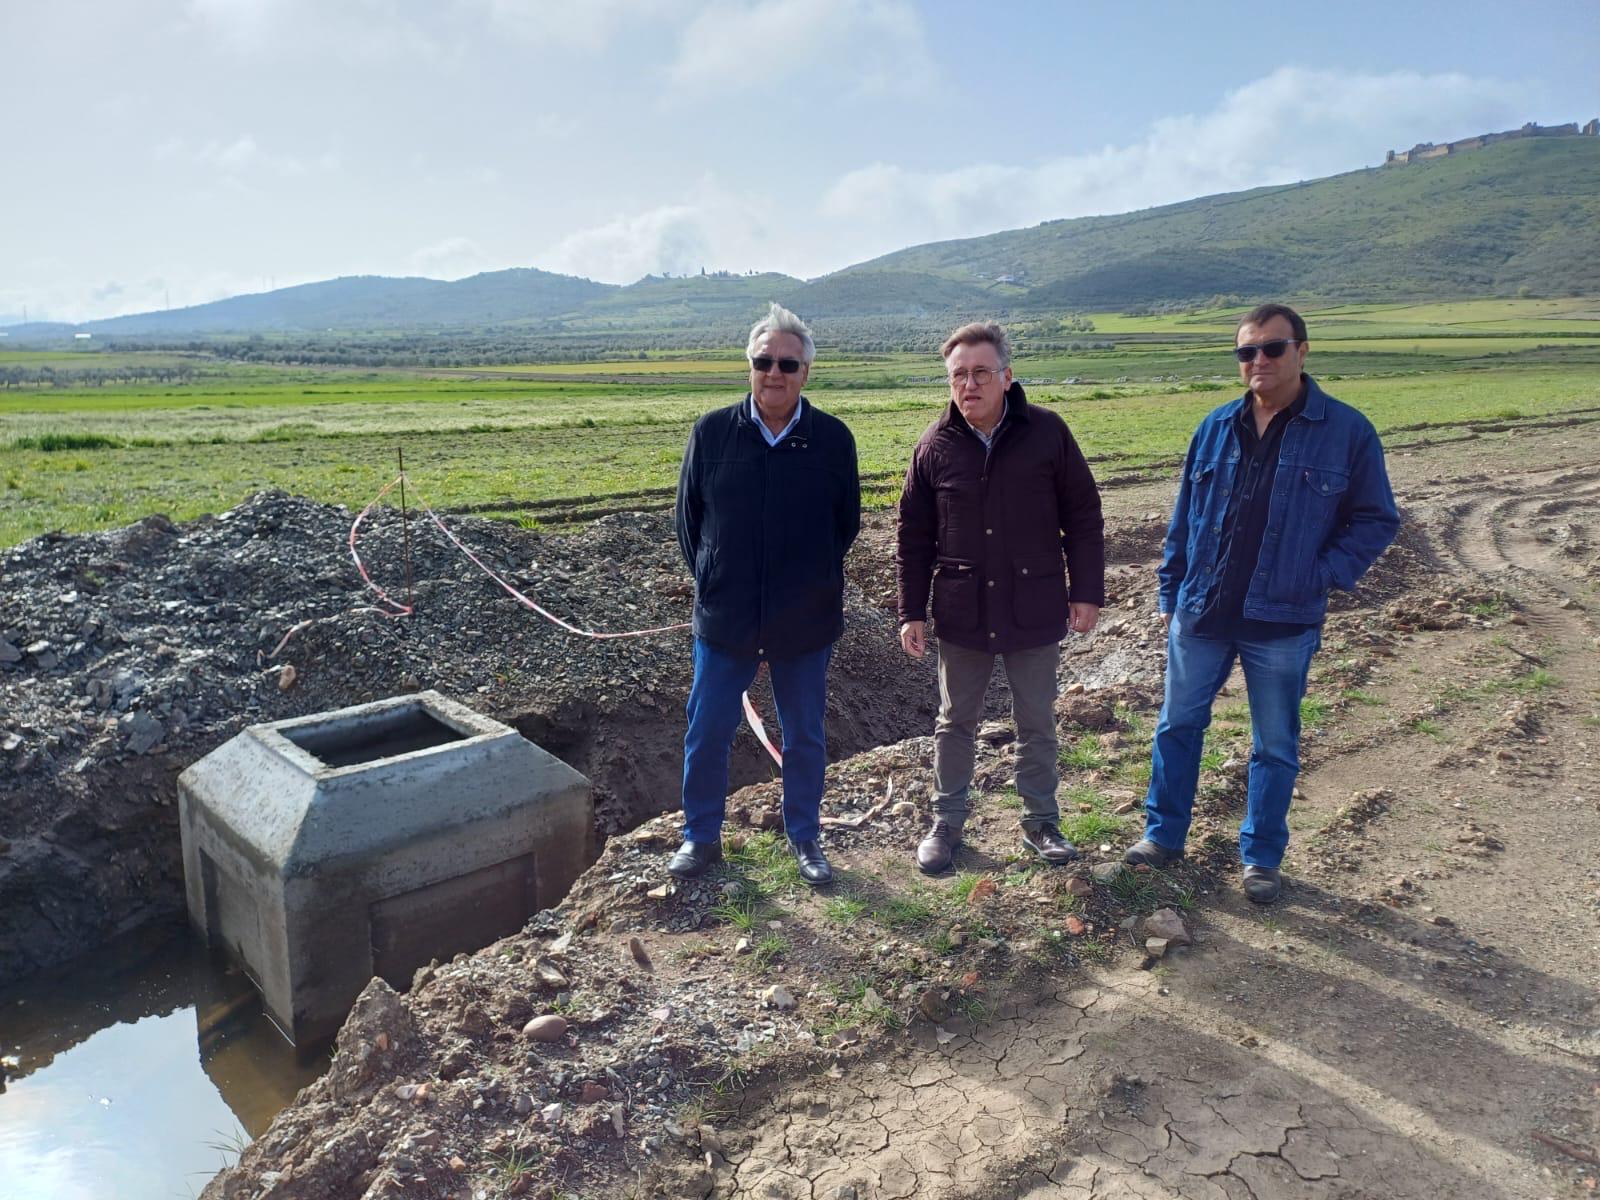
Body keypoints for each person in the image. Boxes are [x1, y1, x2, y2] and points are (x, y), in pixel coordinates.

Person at [1126, 303, 1400, 903]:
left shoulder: (1346, 431)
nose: (1258, 361)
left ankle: (1261, 858)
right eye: (1246, 351)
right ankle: (1163, 836)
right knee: (1176, 727)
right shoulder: (1215, 426)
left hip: (1282, 620)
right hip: (1202, 612)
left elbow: (1377, 518)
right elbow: (1184, 521)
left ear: (1302, 351)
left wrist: (1321, 573)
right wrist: (1171, 590)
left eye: (1272, 348)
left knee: (1274, 744)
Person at [896, 321, 1105, 874]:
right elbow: (913, 536)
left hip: (1033, 606)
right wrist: (911, 611)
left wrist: (1085, 591)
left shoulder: (1048, 434)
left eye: (981, 373)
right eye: (958, 375)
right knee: (954, 720)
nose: (969, 384)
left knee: (1036, 719)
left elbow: (1082, 518)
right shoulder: (934, 446)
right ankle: (947, 822)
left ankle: (1040, 822)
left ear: (1007, 378)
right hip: (962, 611)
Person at [669, 302, 860, 885]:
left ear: (806, 372)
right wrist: (719, 579)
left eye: (787, 363)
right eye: (763, 361)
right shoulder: (712, 432)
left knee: (803, 733)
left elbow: (844, 525)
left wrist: (807, 581)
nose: (774, 373)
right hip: (726, 620)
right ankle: (700, 837)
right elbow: (689, 522)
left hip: (804, 621)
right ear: (748, 366)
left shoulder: (831, 439)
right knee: (707, 729)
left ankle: (804, 836)